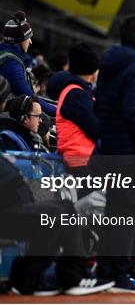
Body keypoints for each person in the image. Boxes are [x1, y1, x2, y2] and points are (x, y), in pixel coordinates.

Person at [0, 82, 114, 296]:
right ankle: (47, 277)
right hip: (8, 206)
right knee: (56, 214)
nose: (42, 122)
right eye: (37, 117)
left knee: (64, 207)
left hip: (14, 200)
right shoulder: (8, 137)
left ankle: (65, 276)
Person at [94, 14, 135, 293]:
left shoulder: (110, 66)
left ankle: (106, 274)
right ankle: (119, 276)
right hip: (132, 155)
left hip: (109, 150)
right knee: (127, 218)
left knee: (113, 215)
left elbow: (100, 107)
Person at [47, 43, 100, 175]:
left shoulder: (78, 92)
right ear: (92, 71)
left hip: (85, 162)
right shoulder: (76, 95)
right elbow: (98, 129)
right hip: (81, 165)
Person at [0, 11, 55, 116]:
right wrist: (58, 112)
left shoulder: (6, 56)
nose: (30, 42)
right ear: (19, 40)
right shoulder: (11, 65)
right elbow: (30, 99)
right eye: (28, 38)